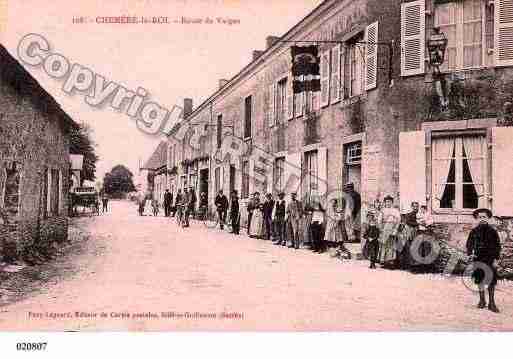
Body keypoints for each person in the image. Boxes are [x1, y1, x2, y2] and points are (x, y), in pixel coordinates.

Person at [466, 208, 502, 313]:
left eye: (484, 217)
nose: (482, 219)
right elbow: (469, 244)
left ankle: (492, 303)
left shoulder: (493, 232)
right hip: (478, 259)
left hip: (490, 258)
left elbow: (497, 246)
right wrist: (470, 254)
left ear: (488, 218)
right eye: (480, 217)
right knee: (479, 279)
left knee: (492, 280)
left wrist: (496, 259)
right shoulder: (474, 232)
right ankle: (482, 301)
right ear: (477, 219)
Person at [377, 195, 402, 267]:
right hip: (384, 229)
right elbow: (379, 221)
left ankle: (391, 261)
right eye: (387, 202)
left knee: (391, 245)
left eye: (390, 202)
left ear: (392, 202)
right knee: (384, 244)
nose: (388, 203)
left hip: (392, 229)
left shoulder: (395, 211)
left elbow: (398, 221)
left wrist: (395, 230)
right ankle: (384, 261)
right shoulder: (383, 210)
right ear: (385, 202)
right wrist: (381, 229)